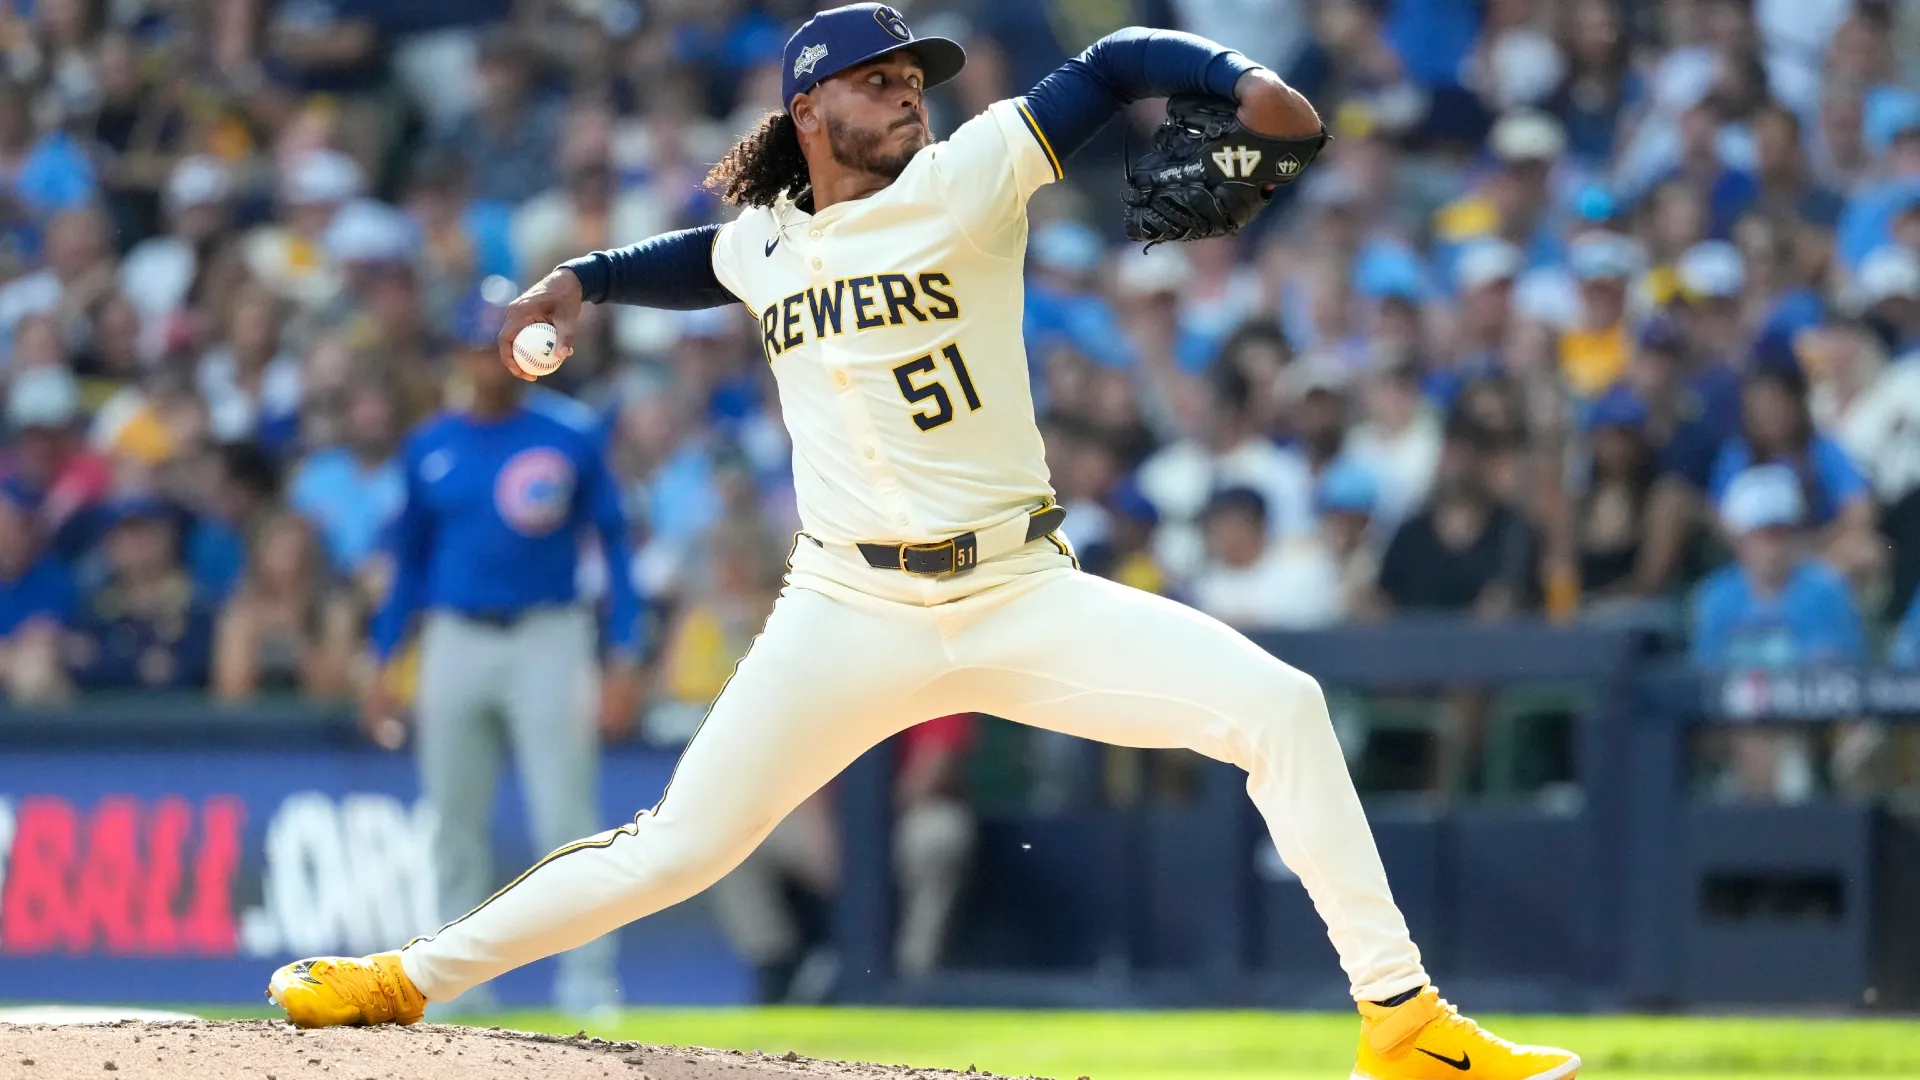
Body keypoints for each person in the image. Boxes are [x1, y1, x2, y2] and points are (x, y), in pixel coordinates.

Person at [268, 8, 1579, 1078]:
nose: (908, 94)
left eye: (914, 76)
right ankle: (403, 979)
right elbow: (704, 257)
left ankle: (1401, 1022)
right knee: (677, 846)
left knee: (1282, 708)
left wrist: (1241, 80)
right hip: (846, 611)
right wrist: (584, 281)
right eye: (877, 80)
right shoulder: (770, 238)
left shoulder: (970, 172)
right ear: (806, 113)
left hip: (1017, 590)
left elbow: (1117, 65)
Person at [355, 286, 647, 1016]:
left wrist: (623, 652)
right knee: (454, 819)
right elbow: (409, 568)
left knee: (566, 820)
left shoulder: (568, 434)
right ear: (457, 354)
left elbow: (613, 547)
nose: (488, 360)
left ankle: (588, 979)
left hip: (549, 635)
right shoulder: (431, 445)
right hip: (454, 637)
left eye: (498, 343)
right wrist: (385, 659)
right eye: (476, 344)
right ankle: (454, 983)